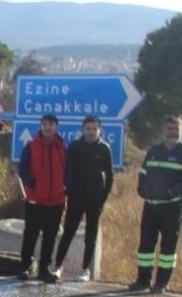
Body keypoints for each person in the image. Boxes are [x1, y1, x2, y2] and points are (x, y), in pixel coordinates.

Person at [130, 114, 182, 293]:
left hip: (172, 207)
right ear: (163, 130)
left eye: (177, 129)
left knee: (168, 246)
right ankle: (143, 280)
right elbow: (143, 173)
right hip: (151, 206)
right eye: (170, 128)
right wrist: (142, 189)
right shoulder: (154, 150)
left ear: (181, 131)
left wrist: (171, 193)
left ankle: (161, 283)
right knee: (145, 245)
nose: (173, 132)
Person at [53, 115, 114, 282]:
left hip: (95, 199)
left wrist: (103, 197)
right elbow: (66, 172)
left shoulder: (104, 149)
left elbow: (110, 176)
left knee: (91, 236)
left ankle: (85, 269)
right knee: (68, 233)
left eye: (94, 129)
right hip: (76, 197)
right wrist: (68, 191)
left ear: (100, 130)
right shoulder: (74, 147)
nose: (91, 132)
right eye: (88, 129)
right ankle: (58, 266)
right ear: (83, 129)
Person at [16, 114, 67, 282]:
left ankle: (44, 270)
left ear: (56, 127)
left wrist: (65, 188)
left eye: (51, 125)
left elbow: (69, 173)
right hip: (35, 200)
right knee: (30, 235)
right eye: (45, 124)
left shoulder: (62, 149)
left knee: (50, 238)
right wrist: (34, 186)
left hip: (56, 201)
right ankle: (25, 267)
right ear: (41, 126)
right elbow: (22, 171)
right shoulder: (31, 147)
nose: (48, 127)